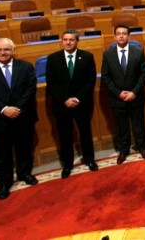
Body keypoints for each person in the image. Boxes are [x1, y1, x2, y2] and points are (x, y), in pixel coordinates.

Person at [0, 38, 38, 200]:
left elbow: (30, 89)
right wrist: (4, 109)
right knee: (1, 154)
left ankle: (24, 174)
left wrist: (17, 108)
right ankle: (4, 182)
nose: (3, 53)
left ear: (13, 50)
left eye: (6, 49)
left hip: (23, 116)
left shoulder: (25, 67)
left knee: (24, 149)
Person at [46, 29, 99, 179]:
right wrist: (65, 99)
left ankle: (89, 160)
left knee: (85, 133)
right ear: (62, 41)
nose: (68, 42)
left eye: (71, 40)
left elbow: (90, 81)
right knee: (65, 136)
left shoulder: (87, 57)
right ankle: (67, 164)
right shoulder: (53, 58)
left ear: (77, 41)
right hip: (62, 105)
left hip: (81, 104)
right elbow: (52, 83)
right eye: (65, 40)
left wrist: (77, 99)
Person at [101, 24, 145, 164]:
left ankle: (142, 147)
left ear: (128, 36)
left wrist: (134, 92)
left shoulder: (138, 52)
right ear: (114, 37)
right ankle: (124, 150)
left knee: (138, 125)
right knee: (121, 127)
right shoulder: (107, 54)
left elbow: (144, 73)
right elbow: (106, 76)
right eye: (118, 33)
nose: (121, 36)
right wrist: (118, 93)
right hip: (118, 99)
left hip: (136, 97)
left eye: (124, 33)